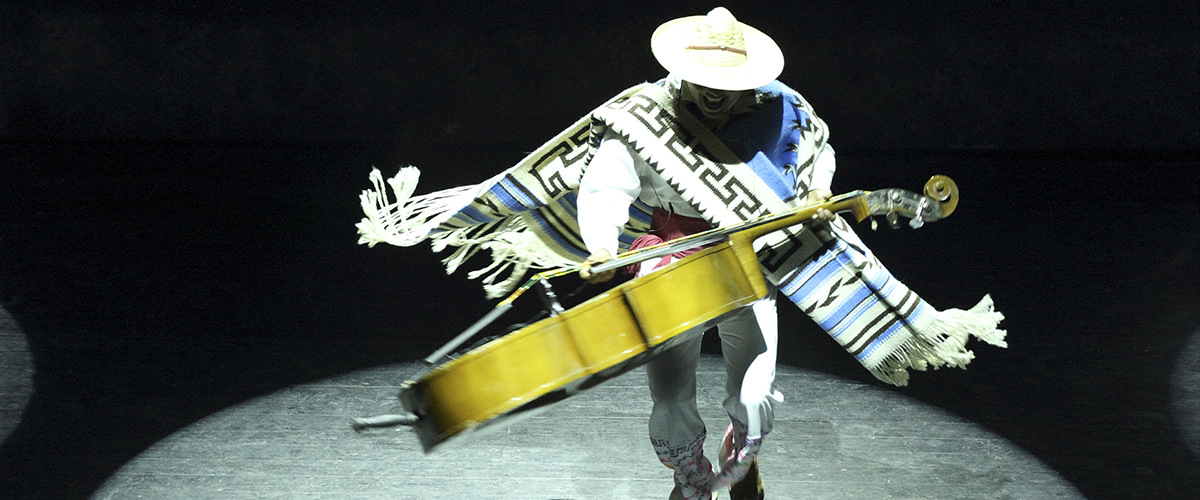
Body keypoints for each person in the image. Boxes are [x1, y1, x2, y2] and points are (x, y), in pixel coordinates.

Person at [356, 7, 1006, 500]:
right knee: (670, 400)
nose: (713, 92)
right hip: (667, 271)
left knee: (754, 395)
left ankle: (743, 461)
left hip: (748, 272)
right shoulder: (646, 115)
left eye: (726, 82)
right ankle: (691, 478)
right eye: (701, 80)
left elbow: (817, 157)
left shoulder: (784, 114)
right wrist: (604, 248)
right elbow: (606, 185)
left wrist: (817, 190)